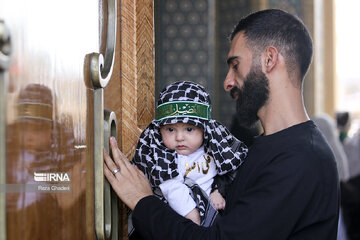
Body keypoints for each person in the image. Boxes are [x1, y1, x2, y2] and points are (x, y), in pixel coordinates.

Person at [104, 9, 340, 239]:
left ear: (269, 59)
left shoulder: (302, 158)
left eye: (235, 65)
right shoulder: (263, 148)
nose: (227, 82)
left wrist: (143, 201)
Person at [128, 81, 247, 232]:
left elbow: (229, 172)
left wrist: (218, 191)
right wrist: (194, 221)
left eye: (189, 129)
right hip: (179, 223)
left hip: (215, 219)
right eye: (170, 129)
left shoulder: (216, 149)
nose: (179, 137)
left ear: (205, 130)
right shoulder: (162, 157)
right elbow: (172, 189)